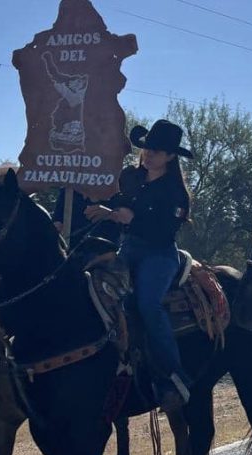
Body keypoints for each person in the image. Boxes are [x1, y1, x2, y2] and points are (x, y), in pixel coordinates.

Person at [84, 119, 193, 412]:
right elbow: (118, 202)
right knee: (93, 288)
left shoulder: (176, 193)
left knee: (148, 304)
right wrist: (104, 210)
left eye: (156, 151)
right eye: (146, 149)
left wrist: (132, 219)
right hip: (129, 248)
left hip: (160, 254)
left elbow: (166, 230)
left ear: (170, 156)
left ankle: (174, 374)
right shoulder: (131, 177)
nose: (148, 155)